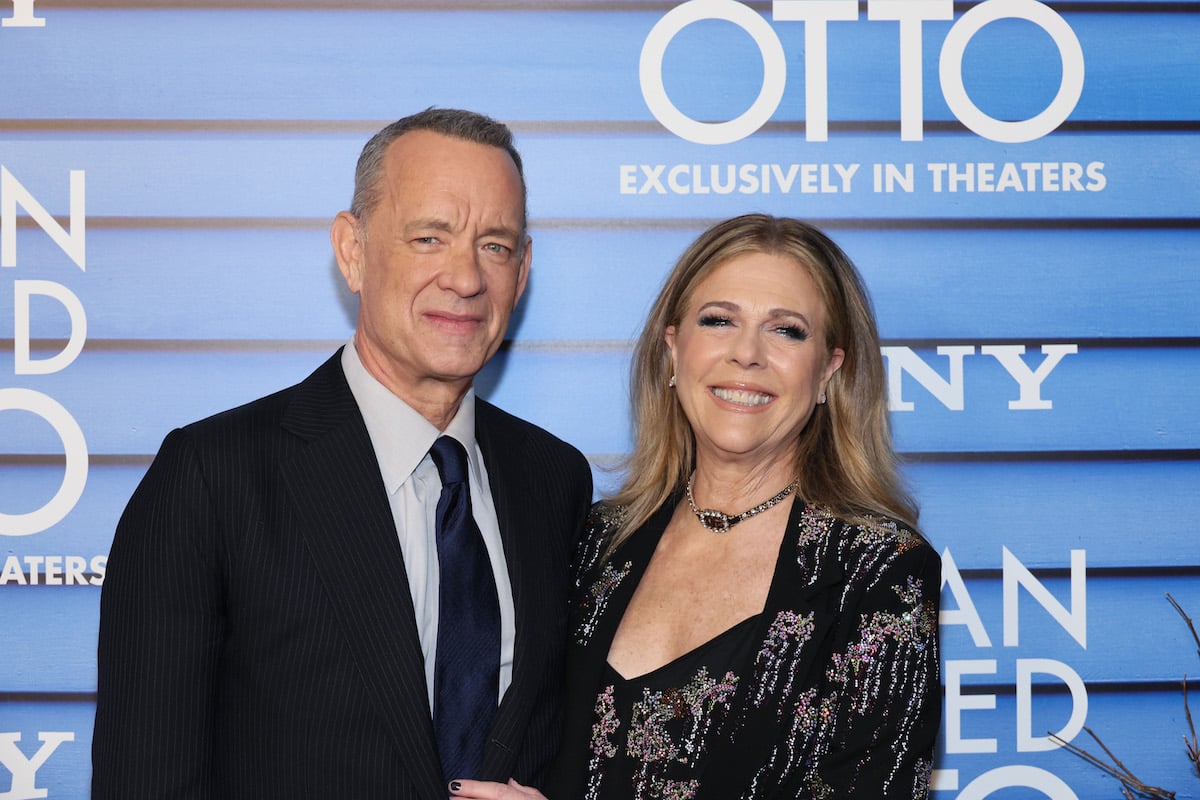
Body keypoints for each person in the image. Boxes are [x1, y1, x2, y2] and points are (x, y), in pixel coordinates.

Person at [92, 108, 593, 799]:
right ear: (352, 250)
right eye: (429, 237)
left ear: (523, 269)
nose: (466, 278)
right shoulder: (213, 478)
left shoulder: (554, 480)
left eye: (495, 246)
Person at [452, 214, 941, 800]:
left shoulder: (879, 572)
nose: (747, 354)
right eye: (718, 321)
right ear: (673, 350)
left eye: (787, 331)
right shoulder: (595, 544)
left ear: (828, 373)